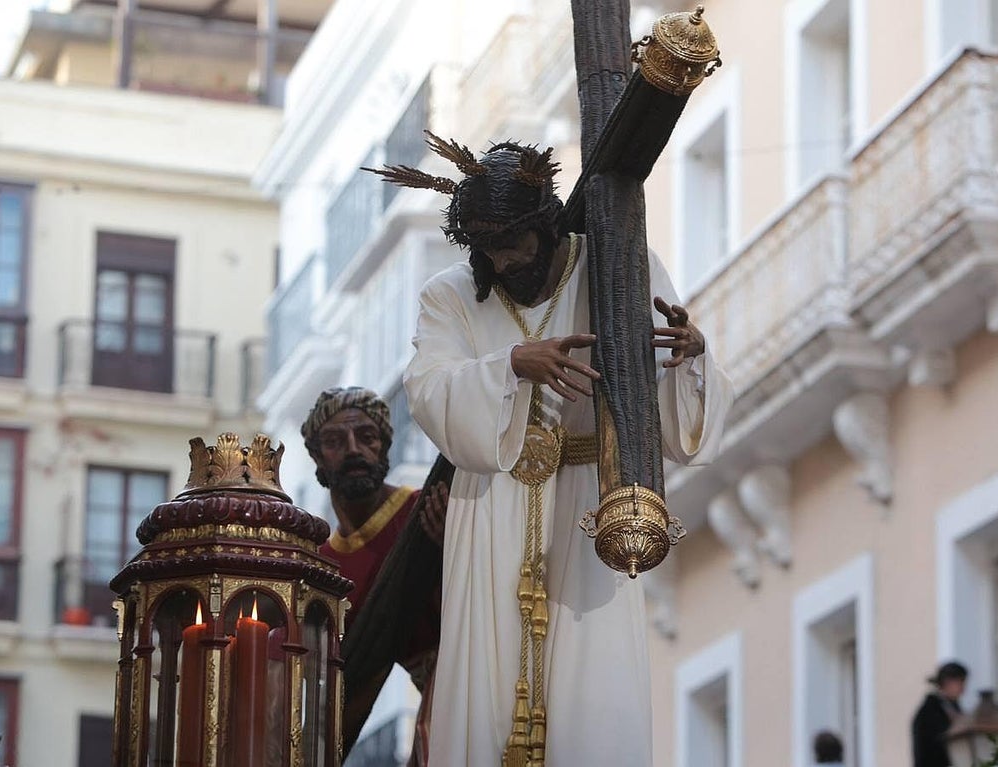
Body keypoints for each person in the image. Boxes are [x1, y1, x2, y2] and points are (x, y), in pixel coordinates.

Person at [387, 136, 733, 766]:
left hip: (591, 496)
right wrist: (511, 363)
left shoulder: (619, 266)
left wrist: (690, 357)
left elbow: (662, 407)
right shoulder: (450, 294)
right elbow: (429, 389)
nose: (504, 262)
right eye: (488, 251)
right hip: (489, 506)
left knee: (594, 684)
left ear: (545, 225)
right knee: (486, 690)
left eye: (515, 246)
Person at [301, 386, 448, 767]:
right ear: (316, 455)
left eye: (366, 437)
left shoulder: (427, 510)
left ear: (384, 445)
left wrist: (453, 550)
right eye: (335, 440)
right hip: (428, 702)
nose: (353, 449)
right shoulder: (323, 568)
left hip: (468, 678)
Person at [912, 660, 968, 767]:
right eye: (960, 682)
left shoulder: (953, 707)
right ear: (947, 682)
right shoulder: (930, 711)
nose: (963, 688)